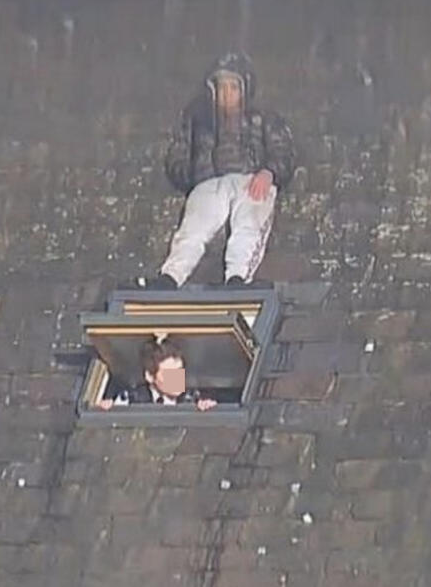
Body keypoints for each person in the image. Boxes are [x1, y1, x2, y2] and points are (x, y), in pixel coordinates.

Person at [147, 52, 296, 289]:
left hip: (250, 181)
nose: (227, 95)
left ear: (245, 89)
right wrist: (194, 177)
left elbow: (283, 151)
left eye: (233, 88)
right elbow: (178, 156)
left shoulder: (263, 119)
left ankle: (237, 277)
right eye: (221, 87)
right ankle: (171, 276)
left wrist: (269, 173)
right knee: (192, 230)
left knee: (250, 220)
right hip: (209, 182)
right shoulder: (197, 121)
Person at [94, 336, 217, 411]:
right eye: (170, 374)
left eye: (180, 371)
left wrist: (208, 408)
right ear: (150, 376)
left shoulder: (193, 398)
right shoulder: (131, 398)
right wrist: (106, 409)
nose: (178, 379)